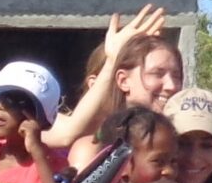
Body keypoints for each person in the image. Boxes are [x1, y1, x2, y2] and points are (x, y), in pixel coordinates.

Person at [69, 35, 184, 168]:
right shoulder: (93, 151)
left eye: (177, 76)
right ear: (123, 81)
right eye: (157, 74)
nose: (172, 86)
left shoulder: (187, 147)